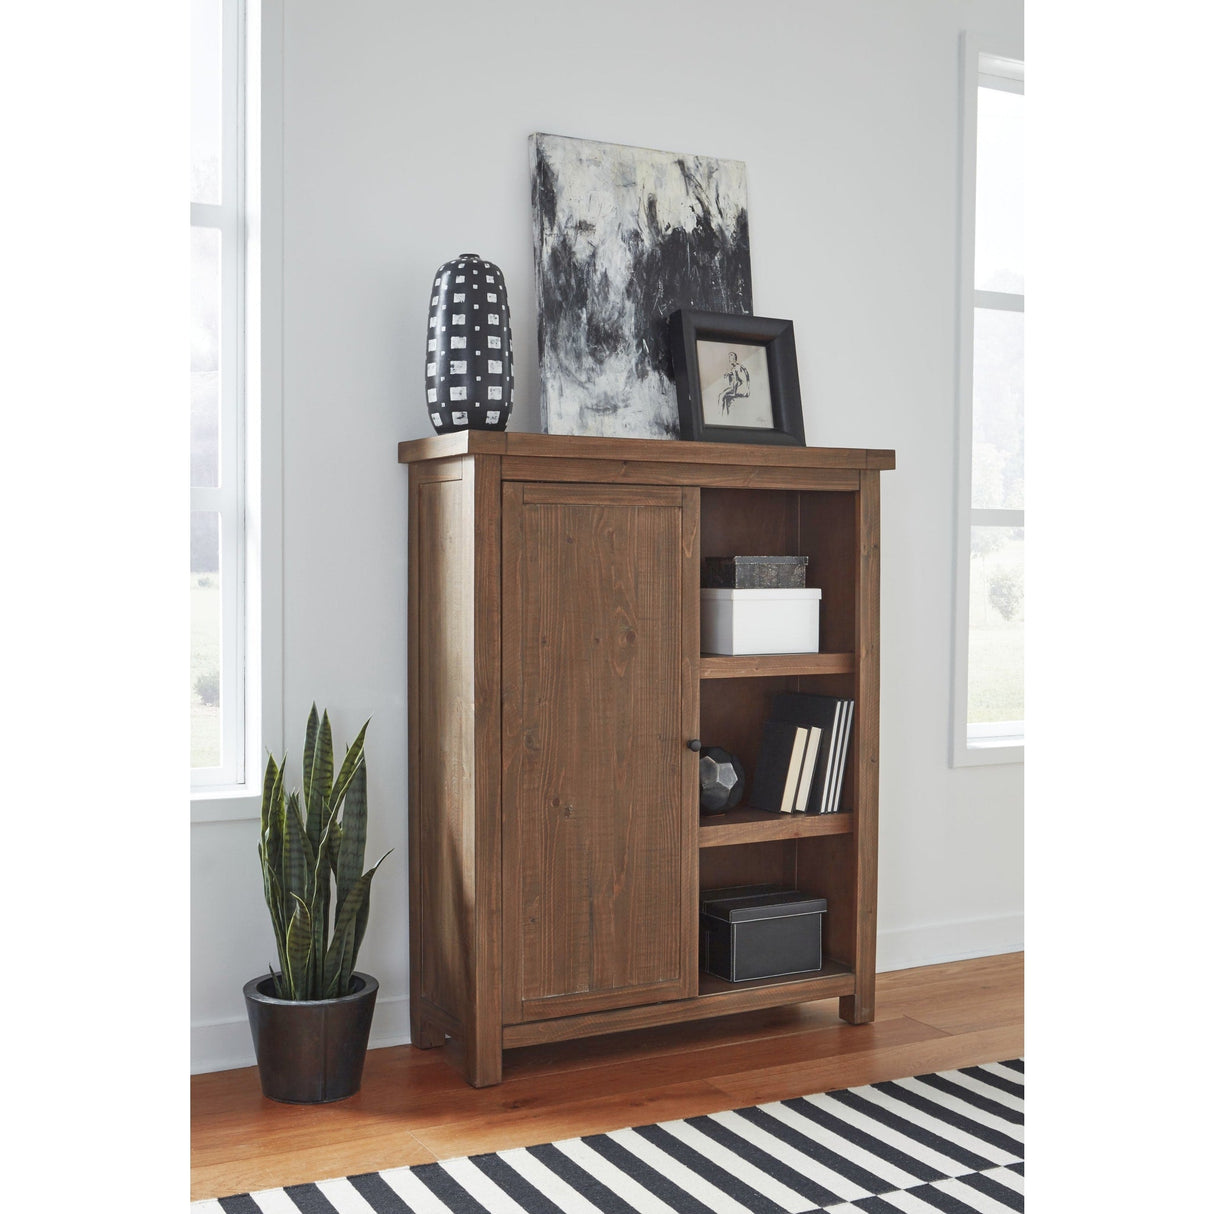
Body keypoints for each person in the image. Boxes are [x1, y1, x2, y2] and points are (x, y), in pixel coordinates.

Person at [718, 350, 750, 416]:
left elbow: (736, 382)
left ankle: (720, 415)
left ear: (733, 359)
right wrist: (729, 374)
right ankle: (723, 414)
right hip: (745, 389)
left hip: (742, 390)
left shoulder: (736, 368)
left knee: (721, 396)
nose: (729, 360)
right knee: (724, 393)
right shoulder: (739, 366)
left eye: (730, 358)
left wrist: (733, 393)